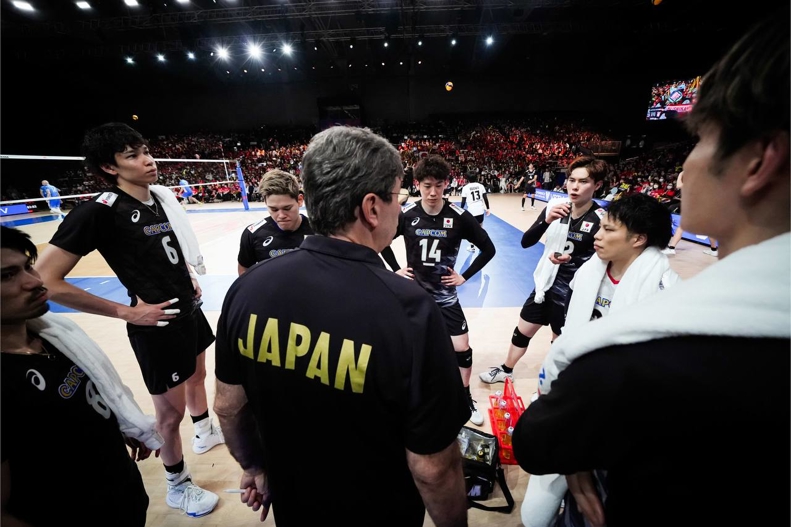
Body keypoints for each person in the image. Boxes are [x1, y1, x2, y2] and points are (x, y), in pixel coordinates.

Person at [513, 12, 789, 527]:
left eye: (701, 140)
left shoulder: (648, 352)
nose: (683, 169)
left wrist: (573, 451)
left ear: (758, 162)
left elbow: (537, 442)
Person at [213, 126, 469, 527]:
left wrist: (255, 466)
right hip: (381, 509)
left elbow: (228, 408)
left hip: (294, 504)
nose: (400, 209)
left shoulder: (246, 290)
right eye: (397, 197)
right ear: (371, 208)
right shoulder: (411, 309)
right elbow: (433, 468)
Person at [35, 123, 223, 518]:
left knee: (197, 378)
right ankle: (178, 485)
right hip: (156, 327)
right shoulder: (98, 212)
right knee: (169, 416)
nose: (148, 159)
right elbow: (45, 280)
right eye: (132, 155)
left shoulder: (157, 200)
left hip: (187, 311)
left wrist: (185, 275)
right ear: (109, 166)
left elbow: (159, 252)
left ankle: (205, 431)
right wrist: (126, 311)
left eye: (146, 150)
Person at [519, 193, 679, 527]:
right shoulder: (589, 273)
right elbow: (565, 338)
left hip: (620, 419)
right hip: (574, 401)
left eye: (608, 230)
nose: (597, 235)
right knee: (534, 516)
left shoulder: (666, 291)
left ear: (638, 239)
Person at [1, 226, 163, 526]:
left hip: (124, 499)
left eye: (27, 267)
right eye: (7, 276)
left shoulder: (52, 336)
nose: (34, 282)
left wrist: (120, 421)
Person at [380, 155, 496, 426]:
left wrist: (464, 276)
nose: (433, 192)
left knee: (462, 347)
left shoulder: (459, 217)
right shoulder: (406, 215)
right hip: (415, 296)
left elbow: (489, 249)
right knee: (409, 349)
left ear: (447, 184)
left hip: (446, 298)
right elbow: (382, 241)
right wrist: (396, 269)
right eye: (427, 185)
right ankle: (414, 395)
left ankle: (464, 395)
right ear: (417, 184)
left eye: (439, 185)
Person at [479, 155, 607, 385]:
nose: (574, 186)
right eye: (571, 180)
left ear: (597, 185)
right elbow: (526, 242)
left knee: (559, 342)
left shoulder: (602, 219)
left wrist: (573, 260)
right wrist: (546, 221)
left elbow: (605, 261)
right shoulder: (555, 208)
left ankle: (554, 381)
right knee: (522, 330)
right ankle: (506, 369)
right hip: (544, 285)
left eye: (583, 181)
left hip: (572, 294)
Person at [237, 169, 313, 275]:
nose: (281, 216)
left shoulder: (320, 231)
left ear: (300, 200)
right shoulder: (252, 234)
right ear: (265, 203)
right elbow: (244, 271)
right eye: (274, 209)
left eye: (287, 208)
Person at [460, 172, 491, 252]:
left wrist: (460, 210)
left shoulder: (465, 188)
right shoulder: (481, 186)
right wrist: (488, 208)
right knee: (480, 228)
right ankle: (482, 245)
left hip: (472, 211)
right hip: (480, 210)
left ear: (468, 179)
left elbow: (463, 201)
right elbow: (485, 198)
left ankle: (472, 246)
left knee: (471, 230)